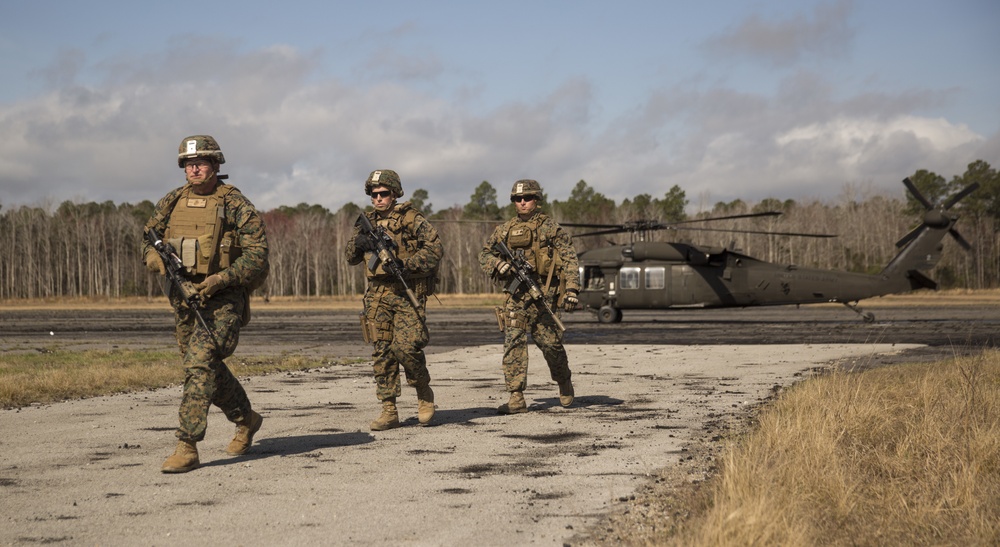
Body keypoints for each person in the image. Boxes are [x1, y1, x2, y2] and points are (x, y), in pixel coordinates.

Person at [142, 135, 269, 473]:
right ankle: (247, 419)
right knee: (204, 368)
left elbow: (258, 257)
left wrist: (220, 280)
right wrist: (156, 260)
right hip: (184, 296)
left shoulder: (236, 204)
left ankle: (187, 445)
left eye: (201, 162)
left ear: (216, 165)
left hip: (223, 299)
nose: (194, 168)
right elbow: (148, 238)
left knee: (199, 364)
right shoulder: (172, 200)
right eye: (188, 163)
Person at [345, 170, 443, 430]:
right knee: (382, 352)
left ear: (395, 193)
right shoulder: (365, 222)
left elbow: (434, 249)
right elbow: (350, 257)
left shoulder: (411, 218)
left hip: (405, 290)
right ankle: (389, 409)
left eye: (383, 194)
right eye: (374, 194)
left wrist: (406, 264)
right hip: (377, 294)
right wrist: (360, 243)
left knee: (407, 348)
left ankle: (423, 393)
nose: (378, 199)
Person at [479, 179, 580, 414]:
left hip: (544, 296)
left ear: (537, 200)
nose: (522, 202)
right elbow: (484, 253)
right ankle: (516, 396)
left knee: (551, 344)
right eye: (518, 199)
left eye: (527, 198)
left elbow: (569, 258)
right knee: (513, 342)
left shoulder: (550, 228)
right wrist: (498, 264)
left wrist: (572, 289)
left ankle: (563, 380)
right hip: (516, 296)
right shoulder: (505, 230)